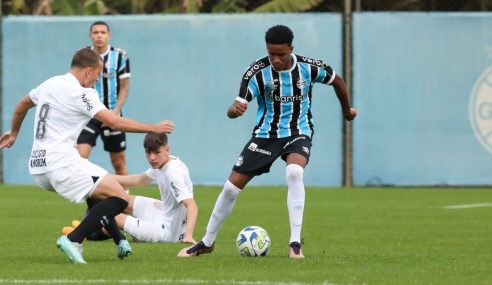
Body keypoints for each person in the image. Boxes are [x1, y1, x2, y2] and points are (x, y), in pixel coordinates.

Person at [177, 25, 357, 259]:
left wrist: (346, 111)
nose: (276, 60)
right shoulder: (256, 72)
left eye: (281, 54)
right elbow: (236, 106)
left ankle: (295, 244)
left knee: (294, 172)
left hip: (298, 132)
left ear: (291, 49)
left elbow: (338, 81)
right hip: (265, 135)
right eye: (271, 54)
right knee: (231, 189)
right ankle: (207, 242)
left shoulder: (309, 68)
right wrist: (234, 110)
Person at [0, 48, 174, 264]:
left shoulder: (50, 84)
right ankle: (73, 239)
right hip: (60, 163)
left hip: (38, 167)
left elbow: (21, 105)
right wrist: (154, 127)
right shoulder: (82, 93)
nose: (96, 81)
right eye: (97, 76)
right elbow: (113, 122)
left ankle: (120, 241)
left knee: (99, 192)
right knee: (120, 197)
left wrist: (14, 132)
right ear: (88, 71)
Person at [65, 133, 198, 244]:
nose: (152, 158)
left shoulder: (172, 173)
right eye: (148, 152)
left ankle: (84, 233)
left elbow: (191, 205)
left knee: (116, 218)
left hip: (168, 232)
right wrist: (101, 178)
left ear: (167, 150)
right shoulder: (165, 163)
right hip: (163, 213)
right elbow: (138, 180)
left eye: (156, 152)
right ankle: (89, 225)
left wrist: (188, 235)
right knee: (122, 200)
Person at [77, 21, 131, 180]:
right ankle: (88, 193)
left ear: (109, 35)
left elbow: (125, 86)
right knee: (80, 157)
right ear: (90, 35)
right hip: (88, 116)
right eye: (95, 32)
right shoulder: (82, 55)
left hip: (111, 114)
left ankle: (124, 199)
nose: (99, 35)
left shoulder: (120, 56)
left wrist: (115, 112)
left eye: (102, 32)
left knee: (118, 161)